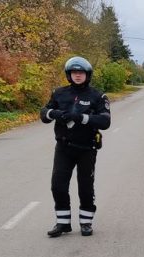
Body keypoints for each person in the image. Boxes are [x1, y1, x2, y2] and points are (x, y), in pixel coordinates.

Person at [40, 56, 111, 237]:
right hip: (64, 147)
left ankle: (86, 222)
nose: (77, 76)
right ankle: (62, 223)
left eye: (81, 73)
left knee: (85, 187)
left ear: (87, 75)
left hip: (86, 148)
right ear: (69, 75)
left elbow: (105, 121)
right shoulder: (59, 93)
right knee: (58, 185)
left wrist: (82, 118)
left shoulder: (97, 96)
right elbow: (43, 114)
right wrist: (54, 113)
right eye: (74, 72)